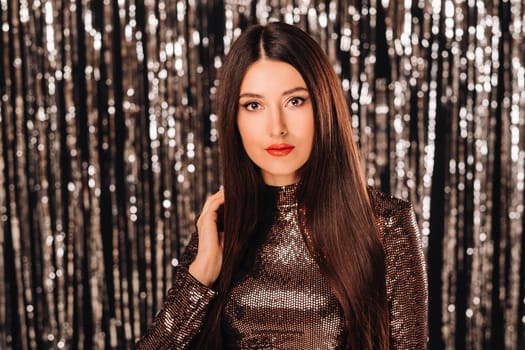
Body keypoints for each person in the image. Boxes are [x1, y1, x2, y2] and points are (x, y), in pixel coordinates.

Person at [136, 21, 427, 350]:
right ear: (234, 118)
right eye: (254, 106)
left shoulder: (387, 222)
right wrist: (201, 274)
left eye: (295, 102)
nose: (276, 128)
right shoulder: (220, 225)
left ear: (323, 106)